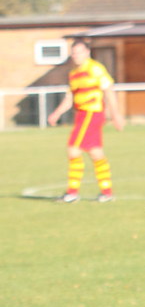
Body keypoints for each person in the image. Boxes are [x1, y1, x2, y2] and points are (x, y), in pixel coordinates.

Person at [47, 39, 124, 203]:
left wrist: (116, 115)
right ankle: (107, 192)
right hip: (81, 115)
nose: (76, 56)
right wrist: (56, 113)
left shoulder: (95, 68)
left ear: (87, 52)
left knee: (73, 149)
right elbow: (70, 98)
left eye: (79, 52)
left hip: (92, 113)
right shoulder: (74, 73)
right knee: (95, 152)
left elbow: (108, 89)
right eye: (74, 53)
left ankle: (72, 193)